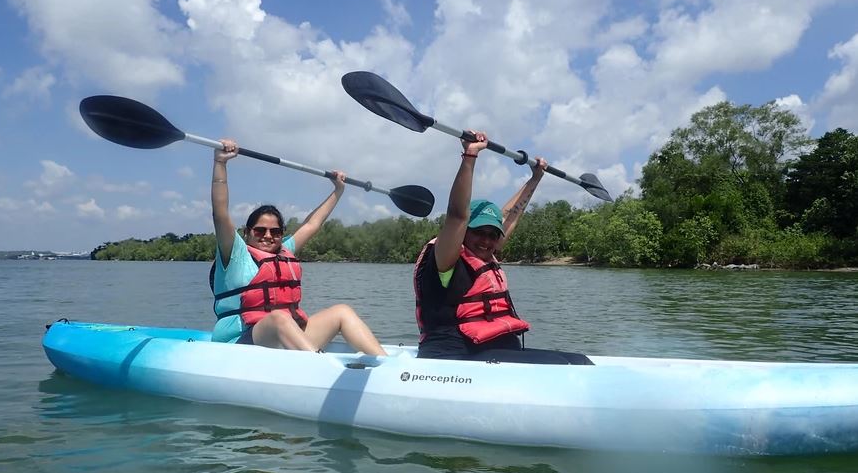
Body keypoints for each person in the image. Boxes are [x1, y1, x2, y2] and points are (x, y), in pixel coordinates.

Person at [413, 130, 593, 365]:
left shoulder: (486, 253)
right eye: (478, 232)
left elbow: (508, 216)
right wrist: (470, 156)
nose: (487, 241)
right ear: (464, 232)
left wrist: (535, 178)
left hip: (492, 354)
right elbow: (457, 215)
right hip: (455, 357)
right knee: (570, 366)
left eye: (492, 235)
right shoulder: (446, 260)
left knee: (578, 360)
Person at [209, 138, 387, 356]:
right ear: (247, 233)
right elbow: (220, 213)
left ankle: (387, 367)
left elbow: (313, 224)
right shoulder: (235, 253)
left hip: (285, 338)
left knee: (342, 312)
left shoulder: (285, 251)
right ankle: (319, 367)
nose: (268, 236)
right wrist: (221, 164)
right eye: (260, 230)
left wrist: (338, 191)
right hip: (240, 344)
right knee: (277, 318)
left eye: (275, 232)